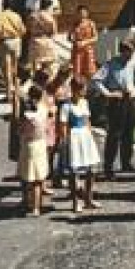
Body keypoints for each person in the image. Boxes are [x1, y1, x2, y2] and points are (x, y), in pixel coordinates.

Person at [94, 40, 135, 178]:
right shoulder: (111, 64)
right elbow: (96, 80)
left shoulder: (132, 62)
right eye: (129, 52)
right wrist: (107, 93)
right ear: (123, 51)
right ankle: (108, 167)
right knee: (114, 135)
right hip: (116, 100)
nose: (131, 55)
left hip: (129, 99)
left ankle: (126, 162)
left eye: (132, 52)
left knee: (128, 132)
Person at [58, 75, 101, 211]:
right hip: (74, 137)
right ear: (75, 89)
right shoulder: (66, 106)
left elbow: (87, 120)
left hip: (85, 137)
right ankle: (76, 201)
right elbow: (63, 125)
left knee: (92, 170)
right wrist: (65, 141)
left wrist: (91, 136)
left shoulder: (84, 103)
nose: (85, 91)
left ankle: (88, 198)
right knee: (74, 171)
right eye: (82, 89)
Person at [16, 83, 52, 216]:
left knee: (26, 176)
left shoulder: (27, 113)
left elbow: (20, 129)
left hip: (28, 144)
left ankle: (26, 201)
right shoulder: (43, 110)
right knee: (38, 178)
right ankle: (37, 206)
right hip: (40, 144)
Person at [0, 5, 27, 106]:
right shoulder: (17, 16)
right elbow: (23, 30)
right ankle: (16, 93)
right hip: (16, 41)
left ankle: (8, 95)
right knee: (15, 69)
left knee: (6, 70)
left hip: (5, 42)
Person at [69, 6, 99, 82]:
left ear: (87, 13)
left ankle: (89, 89)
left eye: (83, 13)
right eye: (79, 13)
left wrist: (85, 42)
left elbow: (95, 38)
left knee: (90, 71)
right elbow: (69, 37)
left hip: (87, 50)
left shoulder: (91, 23)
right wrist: (72, 39)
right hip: (77, 51)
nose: (81, 15)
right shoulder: (74, 24)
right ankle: (78, 88)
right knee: (77, 71)